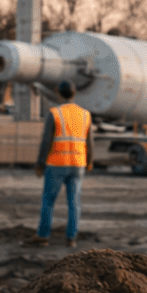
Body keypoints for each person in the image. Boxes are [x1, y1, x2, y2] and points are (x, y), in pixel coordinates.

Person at [28, 81, 93, 247]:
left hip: (57, 163)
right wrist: (90, 161)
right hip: (78, 164)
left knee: (49, 201)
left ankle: (43, 236)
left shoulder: (55, 113)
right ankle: (71, 239)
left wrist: (40, 164)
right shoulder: (85, 114)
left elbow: (46, 141)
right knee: (74, 203)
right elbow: (89, 141)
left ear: (58, 93)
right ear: (74, 93)